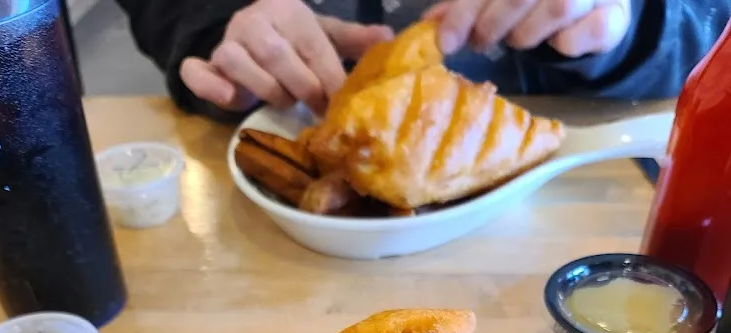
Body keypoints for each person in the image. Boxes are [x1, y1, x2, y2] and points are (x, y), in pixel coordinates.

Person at [115, 0, 729, 118]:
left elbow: (709, 24)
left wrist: (631, 22)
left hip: (576, 166)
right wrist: (219, 27)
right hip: (283, 123)